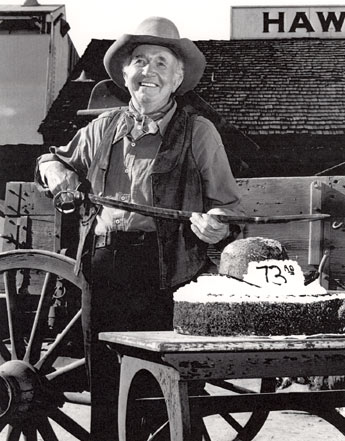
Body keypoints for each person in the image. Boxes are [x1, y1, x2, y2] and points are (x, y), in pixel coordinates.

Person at [36, 16, 244, 441]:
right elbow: (51, 159)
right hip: (105, 263)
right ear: (125, 74)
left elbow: (225, 206)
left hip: (168, 269)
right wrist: (53, 170)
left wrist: (215, 226)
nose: (148, 71)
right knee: (107, 378)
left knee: (160, 387)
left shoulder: (199, 133)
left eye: (161, 63)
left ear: (177, 77)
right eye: (139, 61)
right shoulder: (102, 127)